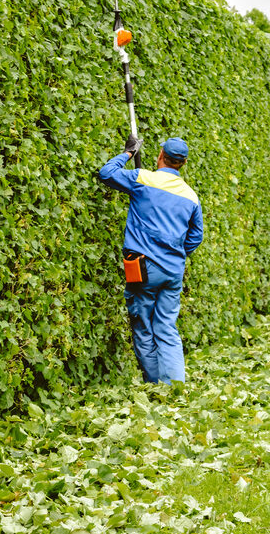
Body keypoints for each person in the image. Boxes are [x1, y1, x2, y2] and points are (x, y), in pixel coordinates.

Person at [98, 135, 204, 383]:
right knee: (167, 327)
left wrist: (128, 153)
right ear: (183, 163)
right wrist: (176, 253)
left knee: (143, 327)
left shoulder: (142, 179)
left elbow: (106, 173)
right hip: (173, 271)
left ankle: (157, 386)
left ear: (160, 156)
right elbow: (195, 237)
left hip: (143, 268)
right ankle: (175, 387)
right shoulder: (191, 197)